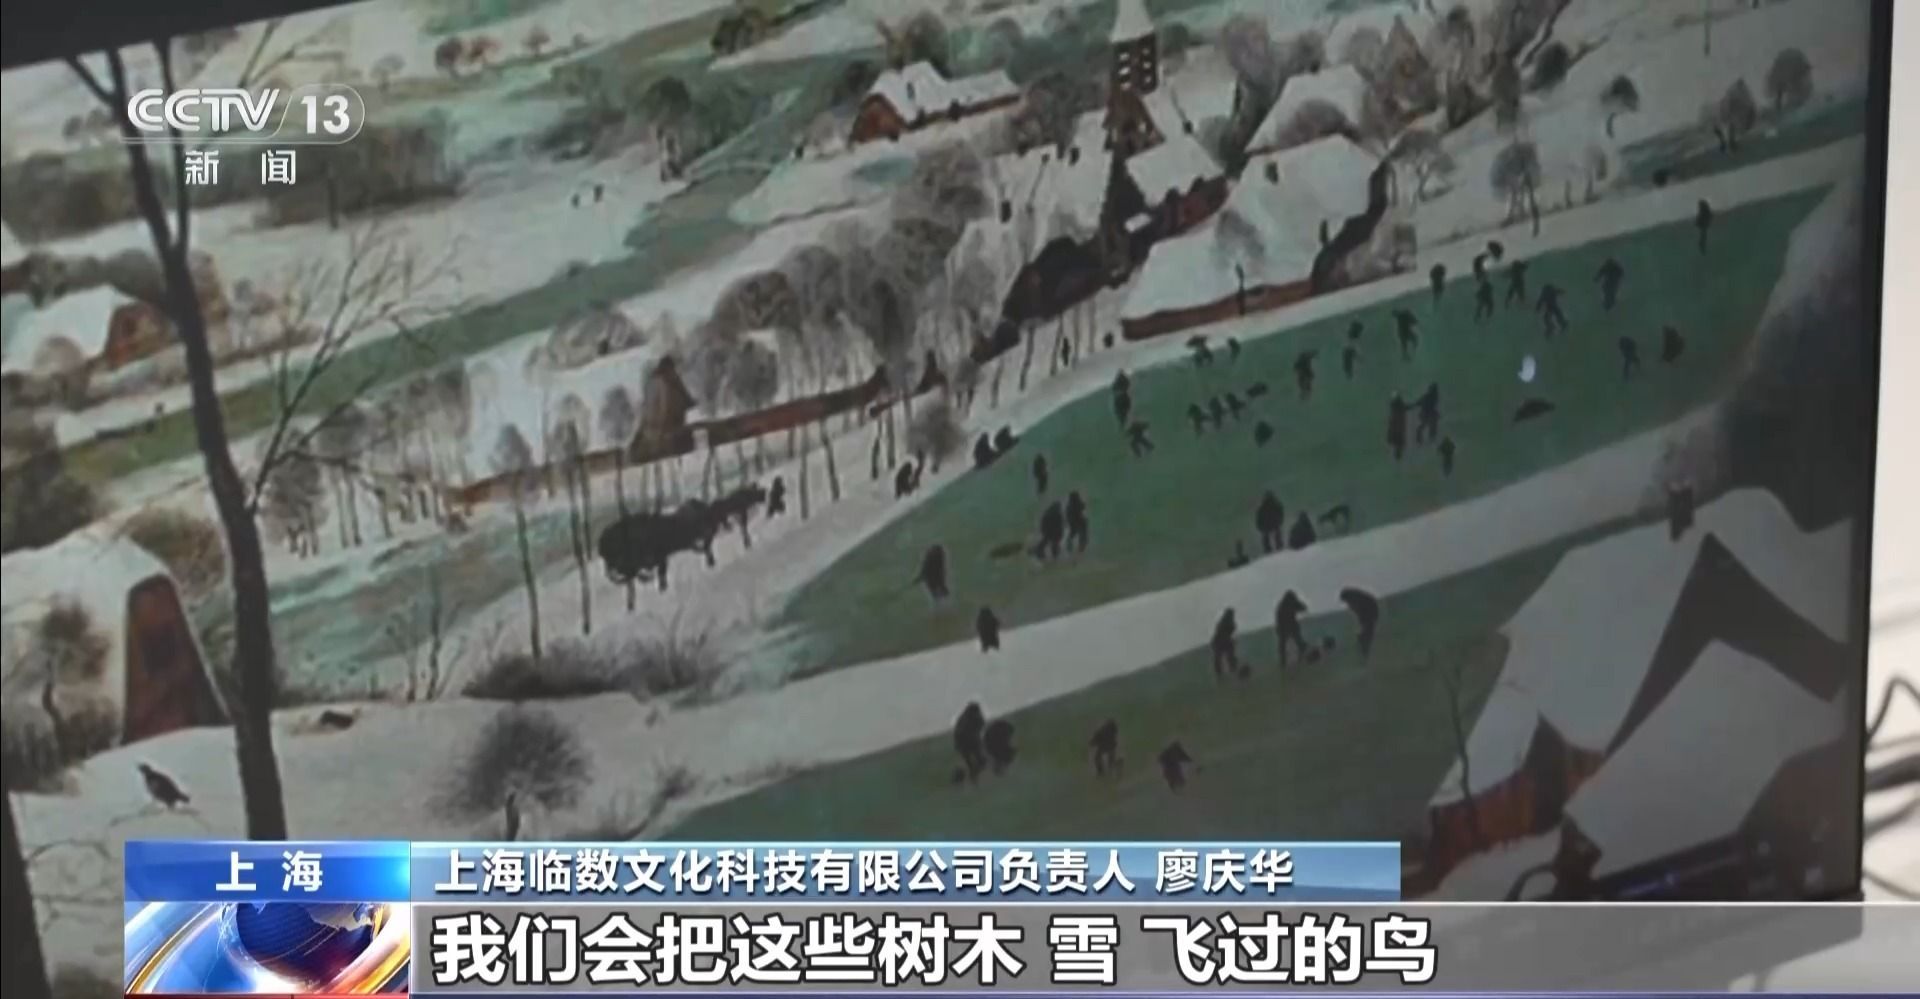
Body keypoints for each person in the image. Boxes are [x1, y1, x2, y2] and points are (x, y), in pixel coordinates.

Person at [1387, 392, 1409, 461]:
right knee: (1398, 439)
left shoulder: (1395, 408)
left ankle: (1397, 454)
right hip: (1398, 427)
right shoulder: (1399, 407)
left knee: (1397, 439)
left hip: (1397, 427)